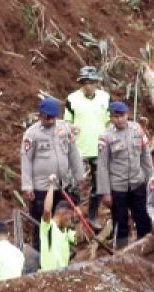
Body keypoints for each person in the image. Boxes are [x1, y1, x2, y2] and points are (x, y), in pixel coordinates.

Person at [22, 97, 84, 249]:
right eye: (47, 117)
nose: (50, 121)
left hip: (62, 185)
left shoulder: (64, 128)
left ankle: (61, 251)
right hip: (41, 188)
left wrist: (79, 175)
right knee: (41, 223)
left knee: (62, 221)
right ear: (40, 115)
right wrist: (27, 186)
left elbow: (73, 153)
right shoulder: (32, 134)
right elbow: (26, 160)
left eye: (53, 117)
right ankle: (39, 254)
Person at [97, 101, 154, 249]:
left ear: (127, 115)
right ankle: (120, 253)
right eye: (116, 117)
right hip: (118, 187)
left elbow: (146, 157)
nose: (120, 119)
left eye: (122, 116)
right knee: (120, 222)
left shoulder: (138, 130)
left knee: (143, 218)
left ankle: (146, 249)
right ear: (111, 118)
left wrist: (152, 181)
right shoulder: (106, 137)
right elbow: (102, 166)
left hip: (137, 183)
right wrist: (105, 192)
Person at [65, 67, 110, 228]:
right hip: (78, 149)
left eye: (91, 82)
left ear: (96, 82)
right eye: (85, 82)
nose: (88, 86)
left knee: (99, 184)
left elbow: (109, 123)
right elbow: (67, 123)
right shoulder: (72, 99)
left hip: (99, 149)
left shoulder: (105, 98)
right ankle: (71, 216)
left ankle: (92, 215)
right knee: (74, 184)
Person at [40, 175, 79, 271]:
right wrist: (51, 186)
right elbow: (47, 210)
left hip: (62, 274)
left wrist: (79, 218)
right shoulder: (48, 227)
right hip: (49, 274)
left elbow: (78, 237)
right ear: (62, 213)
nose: (70, 221)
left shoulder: (66, 231)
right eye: (69, 217)